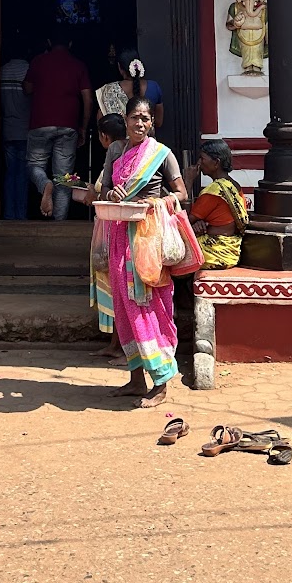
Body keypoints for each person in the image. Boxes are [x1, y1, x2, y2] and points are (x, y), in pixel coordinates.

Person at [96, 95, 187, 407]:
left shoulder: (162, 155)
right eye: (134, 117)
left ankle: (160, 382)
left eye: (145, 119)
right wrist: (112, 192)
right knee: (124, 305)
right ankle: (136, 379)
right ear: (125, 119)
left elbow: (181, 194)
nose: (139, 123)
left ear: (152, 122)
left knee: (147, 304)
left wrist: (153, 203)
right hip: (121, 236)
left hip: (148, 239)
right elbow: (105, 188)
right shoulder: (116, 152)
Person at [74, 112, 127, 357]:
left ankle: (119, 345)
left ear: (104, 137)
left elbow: (102, 194)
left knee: (114, 284)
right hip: (112, 228)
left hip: (110, 230)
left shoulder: (115, 157)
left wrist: (90, 194)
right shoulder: (128, 155)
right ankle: (116, 344)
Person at [25, 37, 91, 221]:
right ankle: (59, 223)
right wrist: (83, 127)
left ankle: (44, 183)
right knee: (64, 178)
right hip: (68, 126)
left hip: (40, 124)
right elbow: (88, 99)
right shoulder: (78, 65)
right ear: (70, 43)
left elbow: (27, 88)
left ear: (48, 42)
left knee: (34, 166)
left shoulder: (38, 61)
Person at [189, 138, 248, 269]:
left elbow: (184, 223)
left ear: (216, 162)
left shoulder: (214, 191)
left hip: (214, 251)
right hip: (231, 250)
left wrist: (187, 182)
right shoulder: (235, 185)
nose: (199, 163)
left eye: (202, 158)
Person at [0, 45, 31, 220]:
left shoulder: (2, 71)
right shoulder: (29, 71)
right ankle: (21, 215)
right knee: (23, 175)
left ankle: (9, 214)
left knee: (10, 173)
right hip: (26, 129)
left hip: (7, 129)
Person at [95, 49, 164, 130]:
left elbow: (101, 123)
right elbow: (159, 122)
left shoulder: (108, 90)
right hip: (147, 142)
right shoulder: (154, 87)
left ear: (119, 67)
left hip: (118, 142)